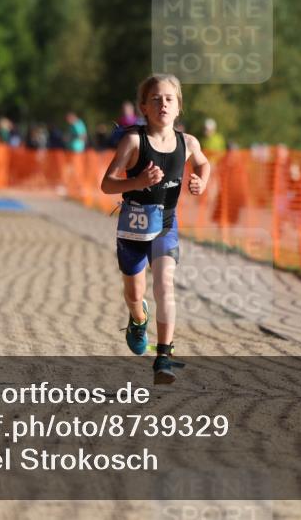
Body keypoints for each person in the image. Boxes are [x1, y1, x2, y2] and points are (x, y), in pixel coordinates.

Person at [100, 74, 211, 384]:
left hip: (165, 223)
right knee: (135, 294)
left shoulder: (188, 143)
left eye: (169, 99)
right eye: (156, 99)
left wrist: (202, 181)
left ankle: (164, 354)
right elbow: (106, 184)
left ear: (178, 107)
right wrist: (137, 182)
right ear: (143, 108)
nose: (163, 103)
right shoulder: (133, 141)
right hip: (133, 228)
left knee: (165, 285)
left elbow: (204, 164)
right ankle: (138, 319)